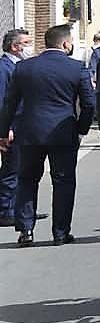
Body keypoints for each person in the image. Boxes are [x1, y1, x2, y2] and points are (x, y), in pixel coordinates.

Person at [0, 24, 94, 245]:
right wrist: (81, 129)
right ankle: (60, 233)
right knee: (63, 181)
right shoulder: (76, 67)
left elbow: (9, 103)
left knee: (27, 180)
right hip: (63, 132)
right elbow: (89, 104)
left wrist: (3, 132)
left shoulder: (23, 67)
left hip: (29, 132)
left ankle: (25, 230)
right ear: (65, 43)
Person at [0, 28, 31, 227]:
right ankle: (5, 210)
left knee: (21, 169)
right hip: (11, 127)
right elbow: (3, 101)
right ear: (15, 46)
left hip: (22, 125)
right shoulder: (4, 68)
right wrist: (6, 128)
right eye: (27, 43)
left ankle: (18, 210)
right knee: (12, 169)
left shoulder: (19, 66)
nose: (30, 47)